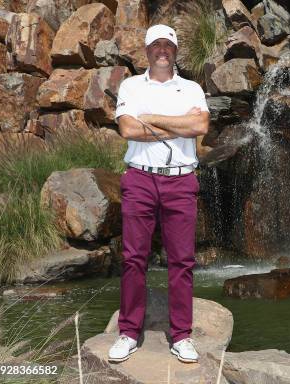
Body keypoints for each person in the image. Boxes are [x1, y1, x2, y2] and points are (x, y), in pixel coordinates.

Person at [107, 24, 210, 364]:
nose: (162, 50)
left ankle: (181, 336)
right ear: (147, 50)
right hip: (140, 179)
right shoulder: (131, 86)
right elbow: (127, 129)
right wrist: (175, 123)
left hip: (181, 181)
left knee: (181, 262)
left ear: (175, 50)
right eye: (156, 45)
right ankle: (128, 332)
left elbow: (199, 127)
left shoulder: (192, 88)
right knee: (134, 258)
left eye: (168, 45)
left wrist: (149, 119)